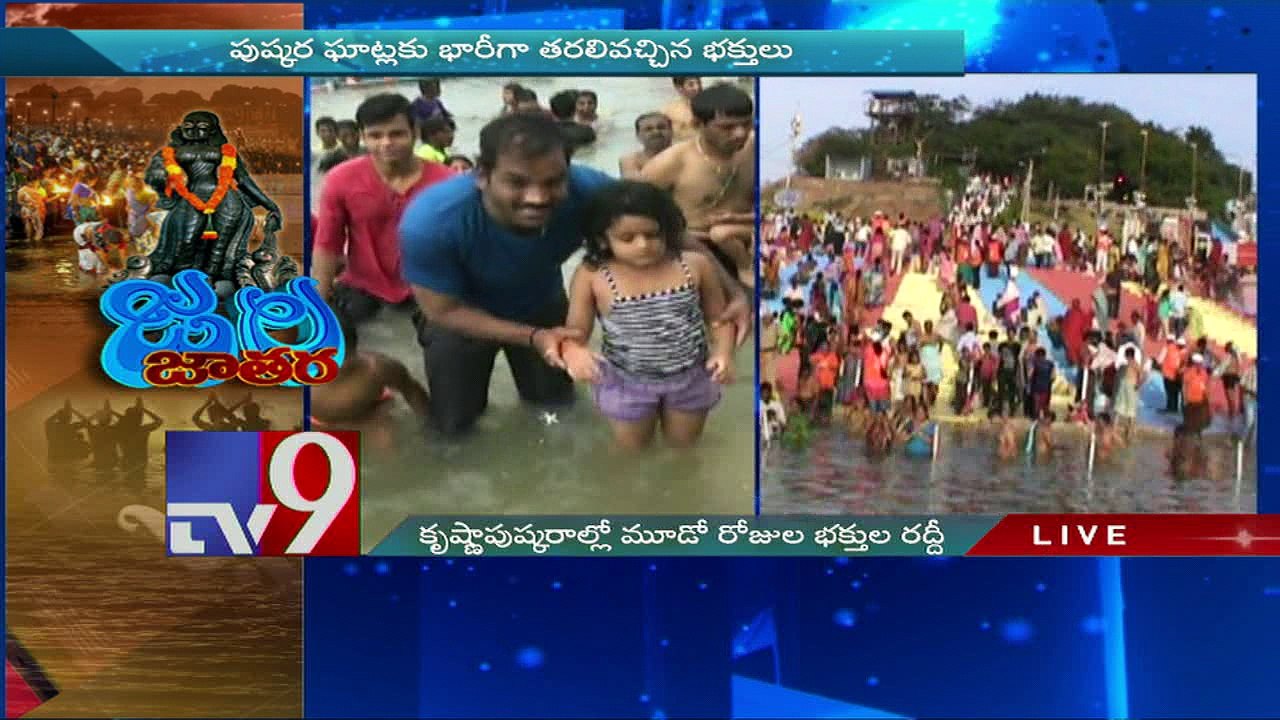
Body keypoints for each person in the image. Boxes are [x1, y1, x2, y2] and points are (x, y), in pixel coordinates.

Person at [399, 112, 752, 436]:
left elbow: (668, 230)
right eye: (517, 183)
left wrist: (733, 291)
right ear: (481, 175)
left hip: (542, 303)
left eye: (553, 182)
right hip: (463, 316)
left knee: (556, 412)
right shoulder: (431, 223)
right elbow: (441, 311)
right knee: (455, 426)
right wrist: (535, 337)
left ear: (569, 172)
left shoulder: (588, 191)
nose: (537, 197)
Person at [560, 181, 734, 449]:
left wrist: (723, 352)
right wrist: (575, 352)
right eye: (627, 238)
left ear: (667, 230)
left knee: (684, 452)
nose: (643, 245)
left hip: (689, 378)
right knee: (632, 456)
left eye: (652, 234)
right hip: (626, 382)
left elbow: (719, 319)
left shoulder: (694, 265)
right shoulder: (593, 275)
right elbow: (575, 332)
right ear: (602, 239)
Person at [313, 94, 454, 326]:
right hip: (363, 285)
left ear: (415, 132)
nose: (386, 143)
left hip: (430, 286)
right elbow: (327, 244)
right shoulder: (341, 179)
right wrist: (318, 303)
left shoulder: (446, 182)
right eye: (375, 136)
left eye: (396, 134)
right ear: (363, 137)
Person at [642, 83, 757, 288]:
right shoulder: (671, 163)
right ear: (697, 124)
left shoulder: (754, 150)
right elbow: (632, 213)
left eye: (746, 124)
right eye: (727, 127)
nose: (740, 133)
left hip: (747, 239)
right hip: (696, 248)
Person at [311, 317, 430, 425]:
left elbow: (412, 391)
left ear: (354, 352)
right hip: (316, 419)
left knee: (385, 439)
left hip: (370, 411)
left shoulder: (377, 369)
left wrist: (428, 425)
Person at [619, 113, 674, 180]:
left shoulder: (685, 155)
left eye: (661, 127)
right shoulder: (630, 160)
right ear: (638, 136)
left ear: (671, 131)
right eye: (648, 129)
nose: (656, 132)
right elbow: (634, 184)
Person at [548, 89, 597, 155]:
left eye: (590, 103)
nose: (586, 107)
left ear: (552, 112)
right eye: (582, 103)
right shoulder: (587, 132)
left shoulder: (545, 132)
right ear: (575, 110)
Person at [662, 76, 703, 141]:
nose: (697, 87)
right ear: (679, 88)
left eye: (699, 83)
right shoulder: (670, 110)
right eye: (691, 85)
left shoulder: (710, 105)